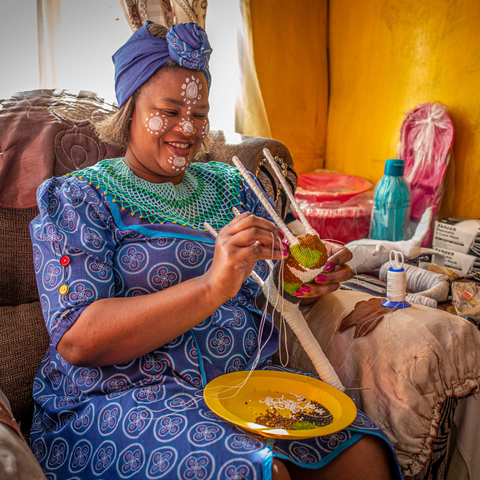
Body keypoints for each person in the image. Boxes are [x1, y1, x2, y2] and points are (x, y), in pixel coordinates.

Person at [29, 21, 402, 479]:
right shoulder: (79, 198)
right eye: (169, 111)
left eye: (199, 113)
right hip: (126, 393)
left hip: (242, 383)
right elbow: (78, 340)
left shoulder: (233, 185)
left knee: (364, 457)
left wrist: (303, 276)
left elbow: (274, 283)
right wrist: (212, 286)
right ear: (129, 109)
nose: (187, 128)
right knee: (256, 471)